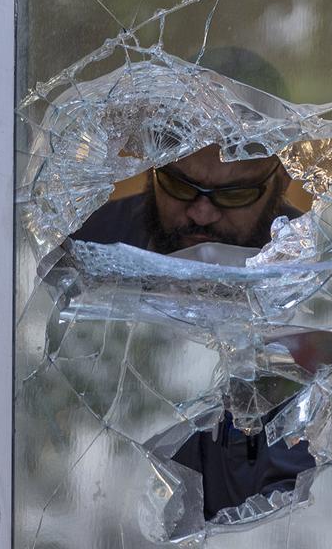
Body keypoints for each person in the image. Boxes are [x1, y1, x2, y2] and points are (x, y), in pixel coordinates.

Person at [71, 142, 317, 521]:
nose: (201, 213)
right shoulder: (88, 248)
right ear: (151, 169)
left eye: (234, 194)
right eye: (180, 186)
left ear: (281, 178)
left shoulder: (319, 272)